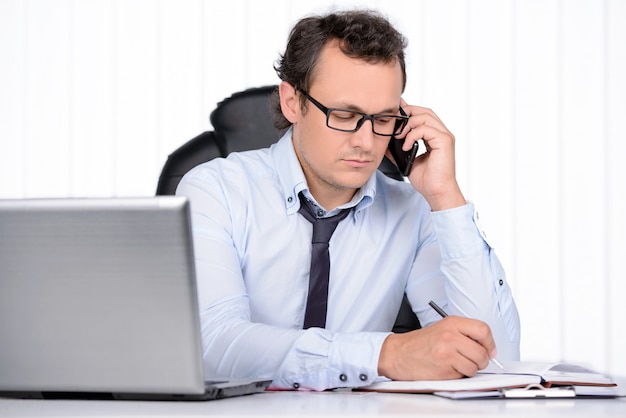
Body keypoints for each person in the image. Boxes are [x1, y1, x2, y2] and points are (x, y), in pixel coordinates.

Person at [176, 9, 520, 391]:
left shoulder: (414, 211)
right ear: (292, 102)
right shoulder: (214, 192)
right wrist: (384, 355)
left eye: (384, 118)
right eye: (344, 114)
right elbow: (214, 345)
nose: (366, 141)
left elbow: (498, 361)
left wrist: (446, 198)